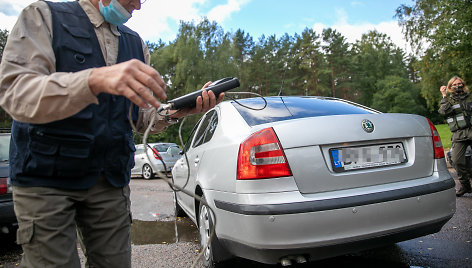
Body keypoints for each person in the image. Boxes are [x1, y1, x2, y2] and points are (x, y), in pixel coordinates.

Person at [0, 0, 223, 267]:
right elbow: (15, 94)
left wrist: (179, 111)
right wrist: (93, 80)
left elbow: (140, 118)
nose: (139, 6)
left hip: (109, 180)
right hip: (45, 176)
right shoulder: (43, 16)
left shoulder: (135, 44)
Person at [438, 76, 472, 197]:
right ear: (450, 87)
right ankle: (465, 185)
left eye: (459, 83)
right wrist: (444, 96)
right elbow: (443, 112)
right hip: (459, 134)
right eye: (454, 84)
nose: (457, 86)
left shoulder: (470, 97)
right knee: (457, 160)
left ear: (463, 84)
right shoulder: (448, 100)